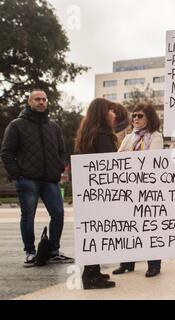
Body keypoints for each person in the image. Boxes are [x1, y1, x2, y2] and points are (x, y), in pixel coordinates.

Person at [1, 89, 74, 267]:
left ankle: (54, 251)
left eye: (44, 99)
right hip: (27, 179)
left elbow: (62, 152)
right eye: (37, 99)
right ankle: (30, 252)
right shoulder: (17, 125)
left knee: (58, 213)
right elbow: (6, 152)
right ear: (29, 102)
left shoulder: (53, 127)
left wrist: (59, 167)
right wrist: (17, 175)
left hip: (50, 180)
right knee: (28, 215)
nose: (41, 102)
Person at [112, 102, 164, 278]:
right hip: (129, 188)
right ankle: (126, 263)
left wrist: (131, 158)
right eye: (133, 115)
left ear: (149, 117)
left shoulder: (156, 136)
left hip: (148, 188)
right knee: (128, 226)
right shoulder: (129, 137)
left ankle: (154, 265)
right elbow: (118, 157)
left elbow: (153, 160)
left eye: (140, 115)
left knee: (150, 227)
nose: (135, 119)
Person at [74, 98, 118, 289]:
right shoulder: (102, 136)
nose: (114, 115)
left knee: (94, 231)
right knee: (98, 232)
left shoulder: (88, 134)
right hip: (101, 193)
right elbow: (110, 165)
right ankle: (90, 277)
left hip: (90, 191)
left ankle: (93, 272)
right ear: (103, 113)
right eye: (110, 111)